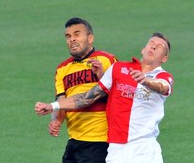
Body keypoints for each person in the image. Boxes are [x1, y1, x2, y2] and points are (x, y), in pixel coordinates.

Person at [35, 32, 174, 163]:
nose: (154, 46)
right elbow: (87, 97)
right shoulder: (118, 68)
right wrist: (53, 106)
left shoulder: (162, 77)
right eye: (151, 43)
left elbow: (163, 87)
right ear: (143, 49)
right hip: (116, 150)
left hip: (145, 149)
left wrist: (146, 81)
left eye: (160, 46)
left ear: (164, 58)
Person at [46, 17, 118, 163]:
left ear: (90, 38)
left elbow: (119, 95)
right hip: (74, 140)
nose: (72, 39)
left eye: (77, 34)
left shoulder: (107, 60)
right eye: (68, 36)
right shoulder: (62, 69)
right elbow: (61, 100)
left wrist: (102, 76)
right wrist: (57, 120)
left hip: (99, 140)